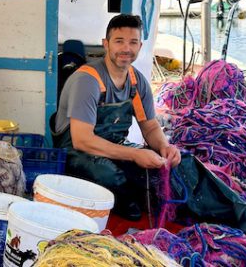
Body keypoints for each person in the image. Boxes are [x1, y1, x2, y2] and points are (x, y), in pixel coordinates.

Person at [52, 14, 181, 220]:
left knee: (166, 168)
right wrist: (135, 155)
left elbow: (150, 127)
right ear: (106, 44)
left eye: (133, 42)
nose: (126, 49)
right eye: (119, 41)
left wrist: (164, 147)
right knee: (111, 176)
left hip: (113, 146)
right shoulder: (88, 80)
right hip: (77, 153)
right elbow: (82, 140)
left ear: (140, 46)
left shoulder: (137, 81)